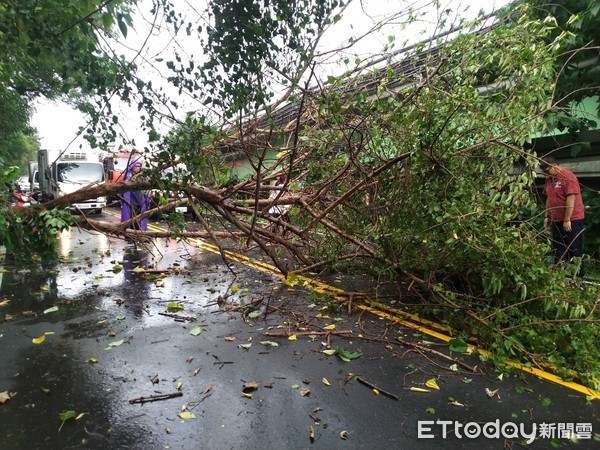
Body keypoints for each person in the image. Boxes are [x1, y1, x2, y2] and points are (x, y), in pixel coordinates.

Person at [540, 155, 585, 277]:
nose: (545, 174)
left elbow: (571, 199)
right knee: (558, 249)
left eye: (546, 170)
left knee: (573, 248)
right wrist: (547, 216)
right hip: (556, 219)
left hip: (572, 219)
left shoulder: (568, 176)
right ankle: (560, 277)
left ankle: (578, 277)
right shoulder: (549, 179)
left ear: (554, 166)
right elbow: (549, 198)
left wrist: (567, 219)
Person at [120, 158, 150, 232]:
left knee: (139, 221)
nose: (137, 168)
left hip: (140, 203)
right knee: (130, 221)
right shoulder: (127, 176)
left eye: (139, 166)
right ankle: (129, 237)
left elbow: (147, 189)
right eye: (136, 166)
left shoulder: (142, 177)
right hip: (130, 203)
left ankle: (138, 236)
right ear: (132, 166)